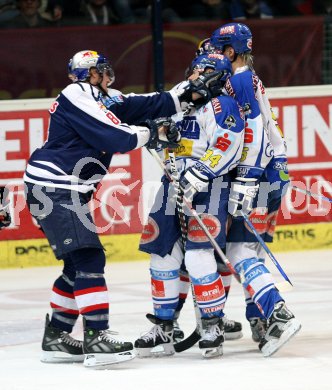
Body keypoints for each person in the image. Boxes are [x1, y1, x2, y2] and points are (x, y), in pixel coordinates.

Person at [24, 49, 225, 368]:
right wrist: (152, 132)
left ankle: (57, 337)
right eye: (102, 70)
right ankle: (97, 336)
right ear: (90, 73)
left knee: (77, 264)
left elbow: (145, 103)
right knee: (89, 257)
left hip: (62, 188)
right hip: (56, 188)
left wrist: (186, 93)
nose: (108, 76)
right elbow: (116, 136)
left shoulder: (104, 97)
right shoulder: (76, 95)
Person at [135, 53, 246, 358]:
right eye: (194, 72)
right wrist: (158, 132)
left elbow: (227, 145)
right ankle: (163, 327)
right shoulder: (180, 99)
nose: (195, 78)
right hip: (171, 184)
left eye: (202, 73)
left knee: (199, 255)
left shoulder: (223, 106)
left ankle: (212, 324)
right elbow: (153, 123)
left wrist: (198, 176)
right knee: (162, 253)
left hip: (209, 187)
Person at [209, 22, 301, 357]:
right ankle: (261, 324)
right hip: (268, 170)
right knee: (249, 251)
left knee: (239, 252)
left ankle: (275, 314)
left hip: (256, 174)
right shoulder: (247, 75)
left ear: (231, 51)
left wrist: (247, 178)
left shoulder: (240, 79)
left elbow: (254, 131)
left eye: (219, 49)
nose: (215, 55)